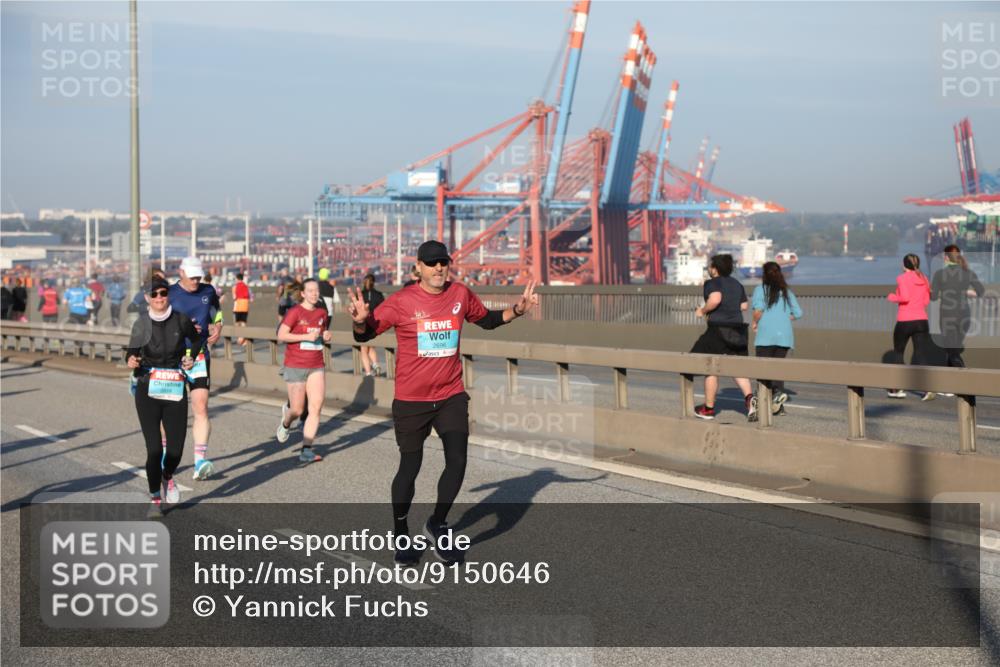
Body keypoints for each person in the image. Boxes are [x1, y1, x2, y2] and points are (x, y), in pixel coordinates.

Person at [350, 240, 538, 565]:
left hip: (450, 394)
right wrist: (359, 320)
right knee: (410, 468)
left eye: (444, 262)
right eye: (432, 263)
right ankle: (401, 534)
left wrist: (518, 311)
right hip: (412, 400)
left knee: (458, 460)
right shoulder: (402, 301)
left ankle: (437, 523)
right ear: (418, 267)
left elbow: (488, 320)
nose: (439, 268)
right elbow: (364, 335)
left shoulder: (460, 294)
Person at [126, 278, 203, 516]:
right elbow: (131, 352)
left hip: (174, 389)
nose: (159, 298)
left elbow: (197, 339)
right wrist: (131, 360)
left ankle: (167, 476)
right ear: (147, 298)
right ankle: (155, 498)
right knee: (154, 451)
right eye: (154, 294)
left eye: (163, 293)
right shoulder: (141, 324)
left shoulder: (180, 319)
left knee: (175, 451)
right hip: (148, 389)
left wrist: (191, 356)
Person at [168, 257, 223, 480]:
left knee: (201, 407)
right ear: (181, 273)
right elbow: (157, 321)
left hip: (199, 355)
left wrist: (218, 326)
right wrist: (181, 328)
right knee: (170, 411)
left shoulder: (208, 291)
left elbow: (216, 310)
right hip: (173, 357)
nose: (196, 281)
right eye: (192, 277)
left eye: (198, 277)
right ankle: (165, 455)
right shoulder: (169, 293)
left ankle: (200, 462)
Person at [690, 254, 756, 421]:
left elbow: (715, 299)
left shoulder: (712, 283)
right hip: (738, 330)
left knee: (710, 367)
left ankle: (708, 409)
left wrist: (702, 311)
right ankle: (750, 400)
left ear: (715, 269)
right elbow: (744, 306)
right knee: (737, 367)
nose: (709, 269)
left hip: (718, 329)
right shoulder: (737, 284)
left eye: (710, 266)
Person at [275, 278, 333, 464]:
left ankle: (306, 450)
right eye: (310, 291)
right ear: (303, 293)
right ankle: (286, 422)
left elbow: (321, 334)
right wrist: (306, 336)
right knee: (298, 410)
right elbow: (281, 335)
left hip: (316, 364)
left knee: (315, 407)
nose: (314, 294)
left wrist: (325, 335)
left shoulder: (322, 312)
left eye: (316, 291)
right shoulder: (295, 312)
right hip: (296, 365)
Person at [750, 262, 803, 417]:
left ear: (764, 274)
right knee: (777, 369)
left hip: (766, 335)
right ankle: (778, 404)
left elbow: (758, 311)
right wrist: (784, 318)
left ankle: (762, 406)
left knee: (763, 370)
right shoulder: (786, 291)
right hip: (784, 336)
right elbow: (798, 313)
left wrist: (754, 323)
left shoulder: (760, 290)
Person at [931, 244, 985, 372]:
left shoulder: (939, 274)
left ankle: (964, 376)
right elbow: (981, 291)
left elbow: (933, 297)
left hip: (948, 316)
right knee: (952, 350)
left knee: (952, 352)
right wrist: (964, 292)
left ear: (945, 257)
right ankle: (951, 381)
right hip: (964, 316)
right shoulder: (968, 272)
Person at [886, 253, 932, 400]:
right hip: (921, 320)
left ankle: (897, 389)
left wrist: (892, 297)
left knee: (899, 353)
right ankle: (928, 388)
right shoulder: (924, 278)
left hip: (905, 320)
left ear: (904, 264)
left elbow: (905, 297)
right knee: (920, 353)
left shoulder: (902, 278)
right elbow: (926, 301)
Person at [359, 273, 385, 376]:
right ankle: (375, 364)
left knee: (363, 349)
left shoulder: (361, 294)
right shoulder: (379, 295)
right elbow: (383, 309)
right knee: (371, 347)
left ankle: (368, 372)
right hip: (374, 324)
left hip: (363, 324)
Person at [232, 272, 252, 345]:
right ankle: (243, 338)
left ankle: (239, 338)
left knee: (237, 323)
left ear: (237, 279)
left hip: (238, 306)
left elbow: (234, 297)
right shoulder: (247, 286)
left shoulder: (235, 287)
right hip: (245, 306)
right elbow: (251, 297)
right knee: (244, 322)